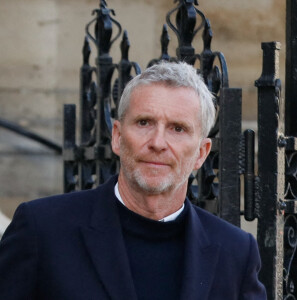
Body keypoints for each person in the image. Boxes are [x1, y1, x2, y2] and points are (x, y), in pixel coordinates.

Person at [0, 62, 266, 299]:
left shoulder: (236, 252)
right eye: (144, 122)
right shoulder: (42, 229)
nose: (158, 143)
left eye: (178, 128)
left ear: (201, 153)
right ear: (117, 136)